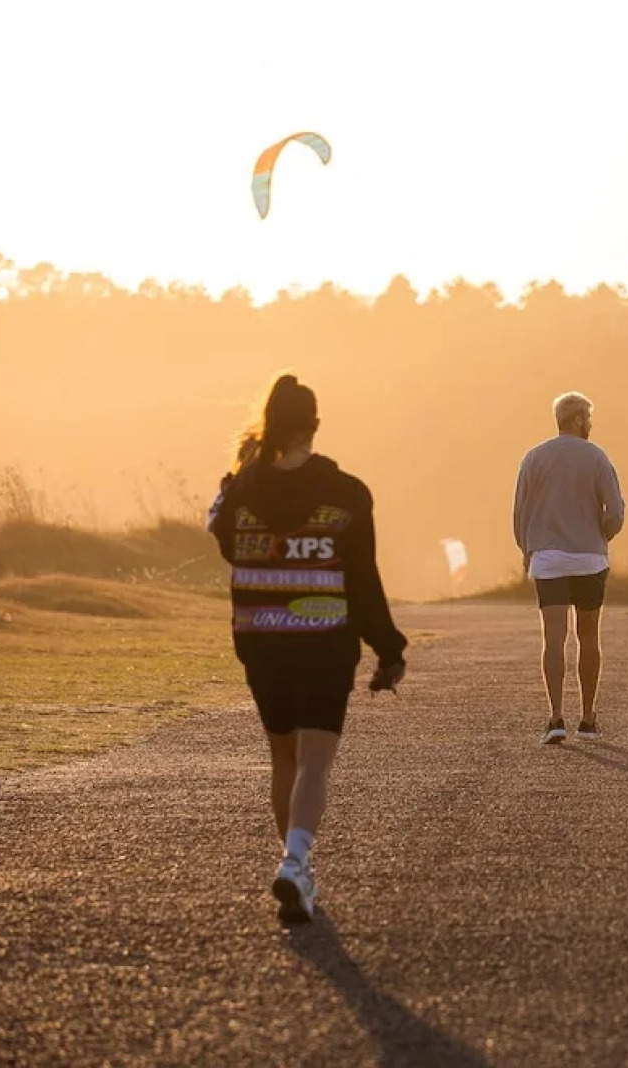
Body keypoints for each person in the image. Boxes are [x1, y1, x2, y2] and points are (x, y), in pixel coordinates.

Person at [207, 374, 408, 923]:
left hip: (259, 639)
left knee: (284, 757)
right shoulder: (346, 493)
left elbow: (226, 545)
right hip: (324, 642)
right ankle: (295, 863)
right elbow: (362, 580)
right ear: (314, 425)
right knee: (314, 761)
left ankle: (298, 868)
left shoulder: (239, 490)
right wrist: (389, 649)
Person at [512, 391, 626, 744]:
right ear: (578, 420)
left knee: (553, 638)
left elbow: (519, 512)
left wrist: (527, 548)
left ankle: (556, 717)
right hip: (589, 556)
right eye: (588, 418)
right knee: (588, 635)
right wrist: (603, 534)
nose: (590, 424)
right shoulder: (597, 457)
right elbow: (615, 510)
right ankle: (588, 718)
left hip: (548, 557)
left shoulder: (534, 457)